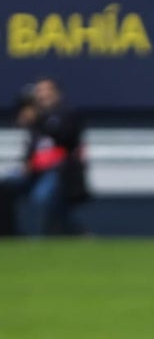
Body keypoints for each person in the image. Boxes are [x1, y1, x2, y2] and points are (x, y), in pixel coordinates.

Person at [1, 79, 89, 237]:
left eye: (47, 90)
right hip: (35, 169)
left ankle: (49, 236)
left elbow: (63, 137)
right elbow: (33, 146)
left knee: (42, 196)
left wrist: (38, 120)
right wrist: (27, 163)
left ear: (57, 94)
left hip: (59, 169)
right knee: (6, 185)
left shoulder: (66, 114)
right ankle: (9, 234)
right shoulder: (35, 120)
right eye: (39, 91)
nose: (43, 95)